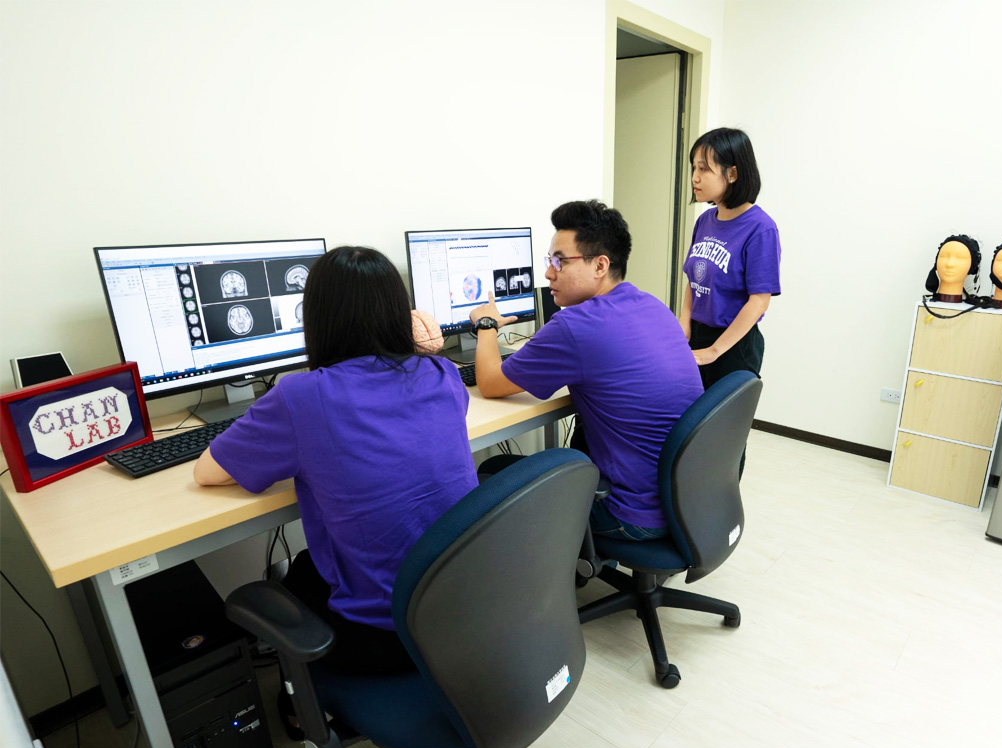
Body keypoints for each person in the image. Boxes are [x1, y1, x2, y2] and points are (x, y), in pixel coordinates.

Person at [194, 246, 478, 689]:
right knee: (309, 566)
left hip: (388, 638)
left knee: (290, 582)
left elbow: (207, 473)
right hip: (465, 610)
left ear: (317, 318)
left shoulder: (300, 397)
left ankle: (299, 706)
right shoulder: (443, 374)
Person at [469, 200, 702, 541]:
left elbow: (489, 382)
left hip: (632, 514)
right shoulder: (651, 305)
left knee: (491, 471)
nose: (548, 273)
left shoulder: (575, 326)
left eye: (560, 261)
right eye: (549, 261)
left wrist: (486, 324)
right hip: (683, 503)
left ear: (600, 265)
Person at [679, 127, 781, 389]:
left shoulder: (761, 228)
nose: (695, 177)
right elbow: (694, 280)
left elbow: (759, 301)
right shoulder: (704, 221)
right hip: (697, 338)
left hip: (733, 346)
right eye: (694, 168)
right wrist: (684, 325)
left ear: (732, 174)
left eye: (704, 169)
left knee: (718, 417)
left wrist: (714, 351)